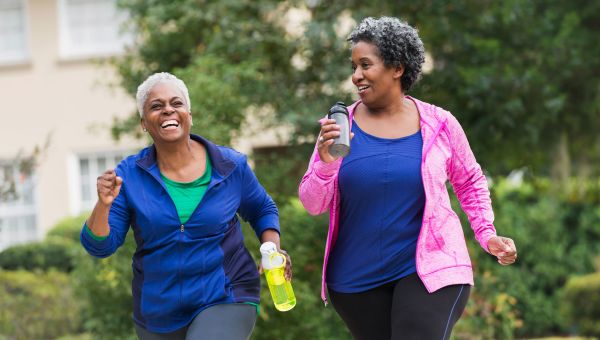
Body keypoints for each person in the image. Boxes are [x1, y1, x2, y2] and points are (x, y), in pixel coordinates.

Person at [298, 17, 517, 339]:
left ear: (397, 68)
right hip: (355, 280)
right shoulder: (337, 129)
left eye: (366, 65)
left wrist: (487, 233)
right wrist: (326, 162)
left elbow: (469, 181)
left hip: (431, 270)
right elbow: (313, 204)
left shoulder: (440, 124)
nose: (356, 75)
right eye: (354, 66)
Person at [80, 72, 291, 340]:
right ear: (144, 123)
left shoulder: (229, 166)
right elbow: (100, 246)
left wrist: (271, 248)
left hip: (226, 294)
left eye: (176, 103)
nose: (168, 109)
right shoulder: (129, 176)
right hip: (157, 312)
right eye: (156, 106)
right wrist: (103, 205)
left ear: (189, 114)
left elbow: (262, 209)